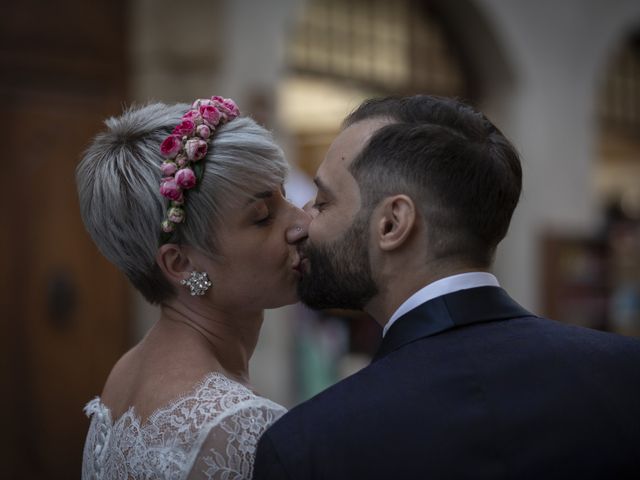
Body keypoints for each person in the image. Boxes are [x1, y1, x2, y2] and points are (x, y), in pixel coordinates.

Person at [252, 95, 640, 479]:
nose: (302, 223)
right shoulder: (625, 374)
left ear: (392, 224)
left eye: (322, 201)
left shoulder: (309, 446)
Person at [77, 96, 309, 479]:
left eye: (286, 195)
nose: (301, 223)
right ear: (181, 264)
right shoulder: (239, 426)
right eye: (263, 217)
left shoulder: (127, 372)